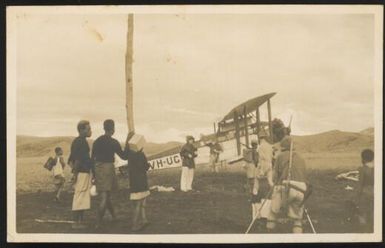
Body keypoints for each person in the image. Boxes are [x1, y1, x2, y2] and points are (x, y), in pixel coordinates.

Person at [267, 136, 308, 233]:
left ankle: (269, 235)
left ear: (282, 147)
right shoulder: (301, 158)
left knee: (273, 212)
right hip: (301, 189)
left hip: (286, 187)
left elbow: (275, 178)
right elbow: (304, 176)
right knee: (297, 219)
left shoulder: (280, 156)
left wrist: (270, 180)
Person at [92, 119, 127, 228]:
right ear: (113, 129)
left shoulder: (97, 141)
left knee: (106, 195)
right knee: (105, 196)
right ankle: (98, 222)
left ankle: (114, 216)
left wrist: (94, 173)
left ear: (104, 128)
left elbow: (92, 158)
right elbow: (124, 156)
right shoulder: (114, 142)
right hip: (108, 168)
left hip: (98, 168)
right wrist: (129, 143)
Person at [68, 120, 95, 229]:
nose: (90, 131)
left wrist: (75, 171)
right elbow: (77, 160)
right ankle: (76, 223)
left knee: (82, 196)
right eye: (88, 129)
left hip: (82, 172)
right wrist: (75, 173)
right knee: (79, 196)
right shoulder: (81, 142)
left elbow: (70, 160)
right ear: (81, 130)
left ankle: (80, 222)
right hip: (82, 173)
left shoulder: (77, 141)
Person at [124, 137, 150, 232]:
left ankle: (144, 219)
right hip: (142, 182)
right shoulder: (141, 155)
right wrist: (148, 165)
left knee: (139, 202)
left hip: (134, 182)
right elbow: (144, 167)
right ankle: (134, 225)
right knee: (140, 203)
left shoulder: (130, 155)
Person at [251, 130, 273, 223]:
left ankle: (257, 214)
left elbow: (261, 160)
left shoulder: (260, 148)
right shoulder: (270, 146)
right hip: (270, 168)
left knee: (256, 190)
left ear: (260, 138)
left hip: (262, 168)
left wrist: (260, 171)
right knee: (269, 188)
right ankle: (268, 214)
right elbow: (270, 159)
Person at [355, 149, 374, 232]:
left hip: (365, 194)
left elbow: (360, 185)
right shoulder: (376, 168)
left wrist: (357, 198)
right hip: (375, 193)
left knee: (362, 214)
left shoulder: (362, 169)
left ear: (362, 158)